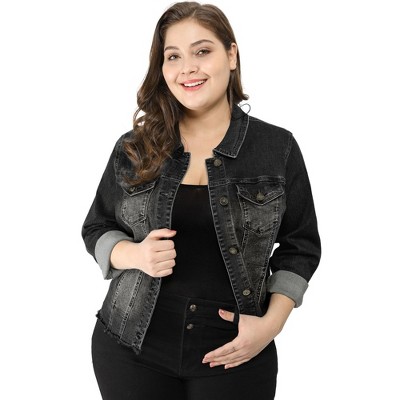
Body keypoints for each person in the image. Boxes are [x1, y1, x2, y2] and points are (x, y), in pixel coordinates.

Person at [82, 2, 321, 399]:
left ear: (231, 55)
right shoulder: (135, 147)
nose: (187, 68)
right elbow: (97, 226)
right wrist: (134, 255)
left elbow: (301, 245)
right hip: (130, 348)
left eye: (202, 51)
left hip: (237, 352)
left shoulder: (275, 148)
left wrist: (270, 325)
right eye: (173, 56)